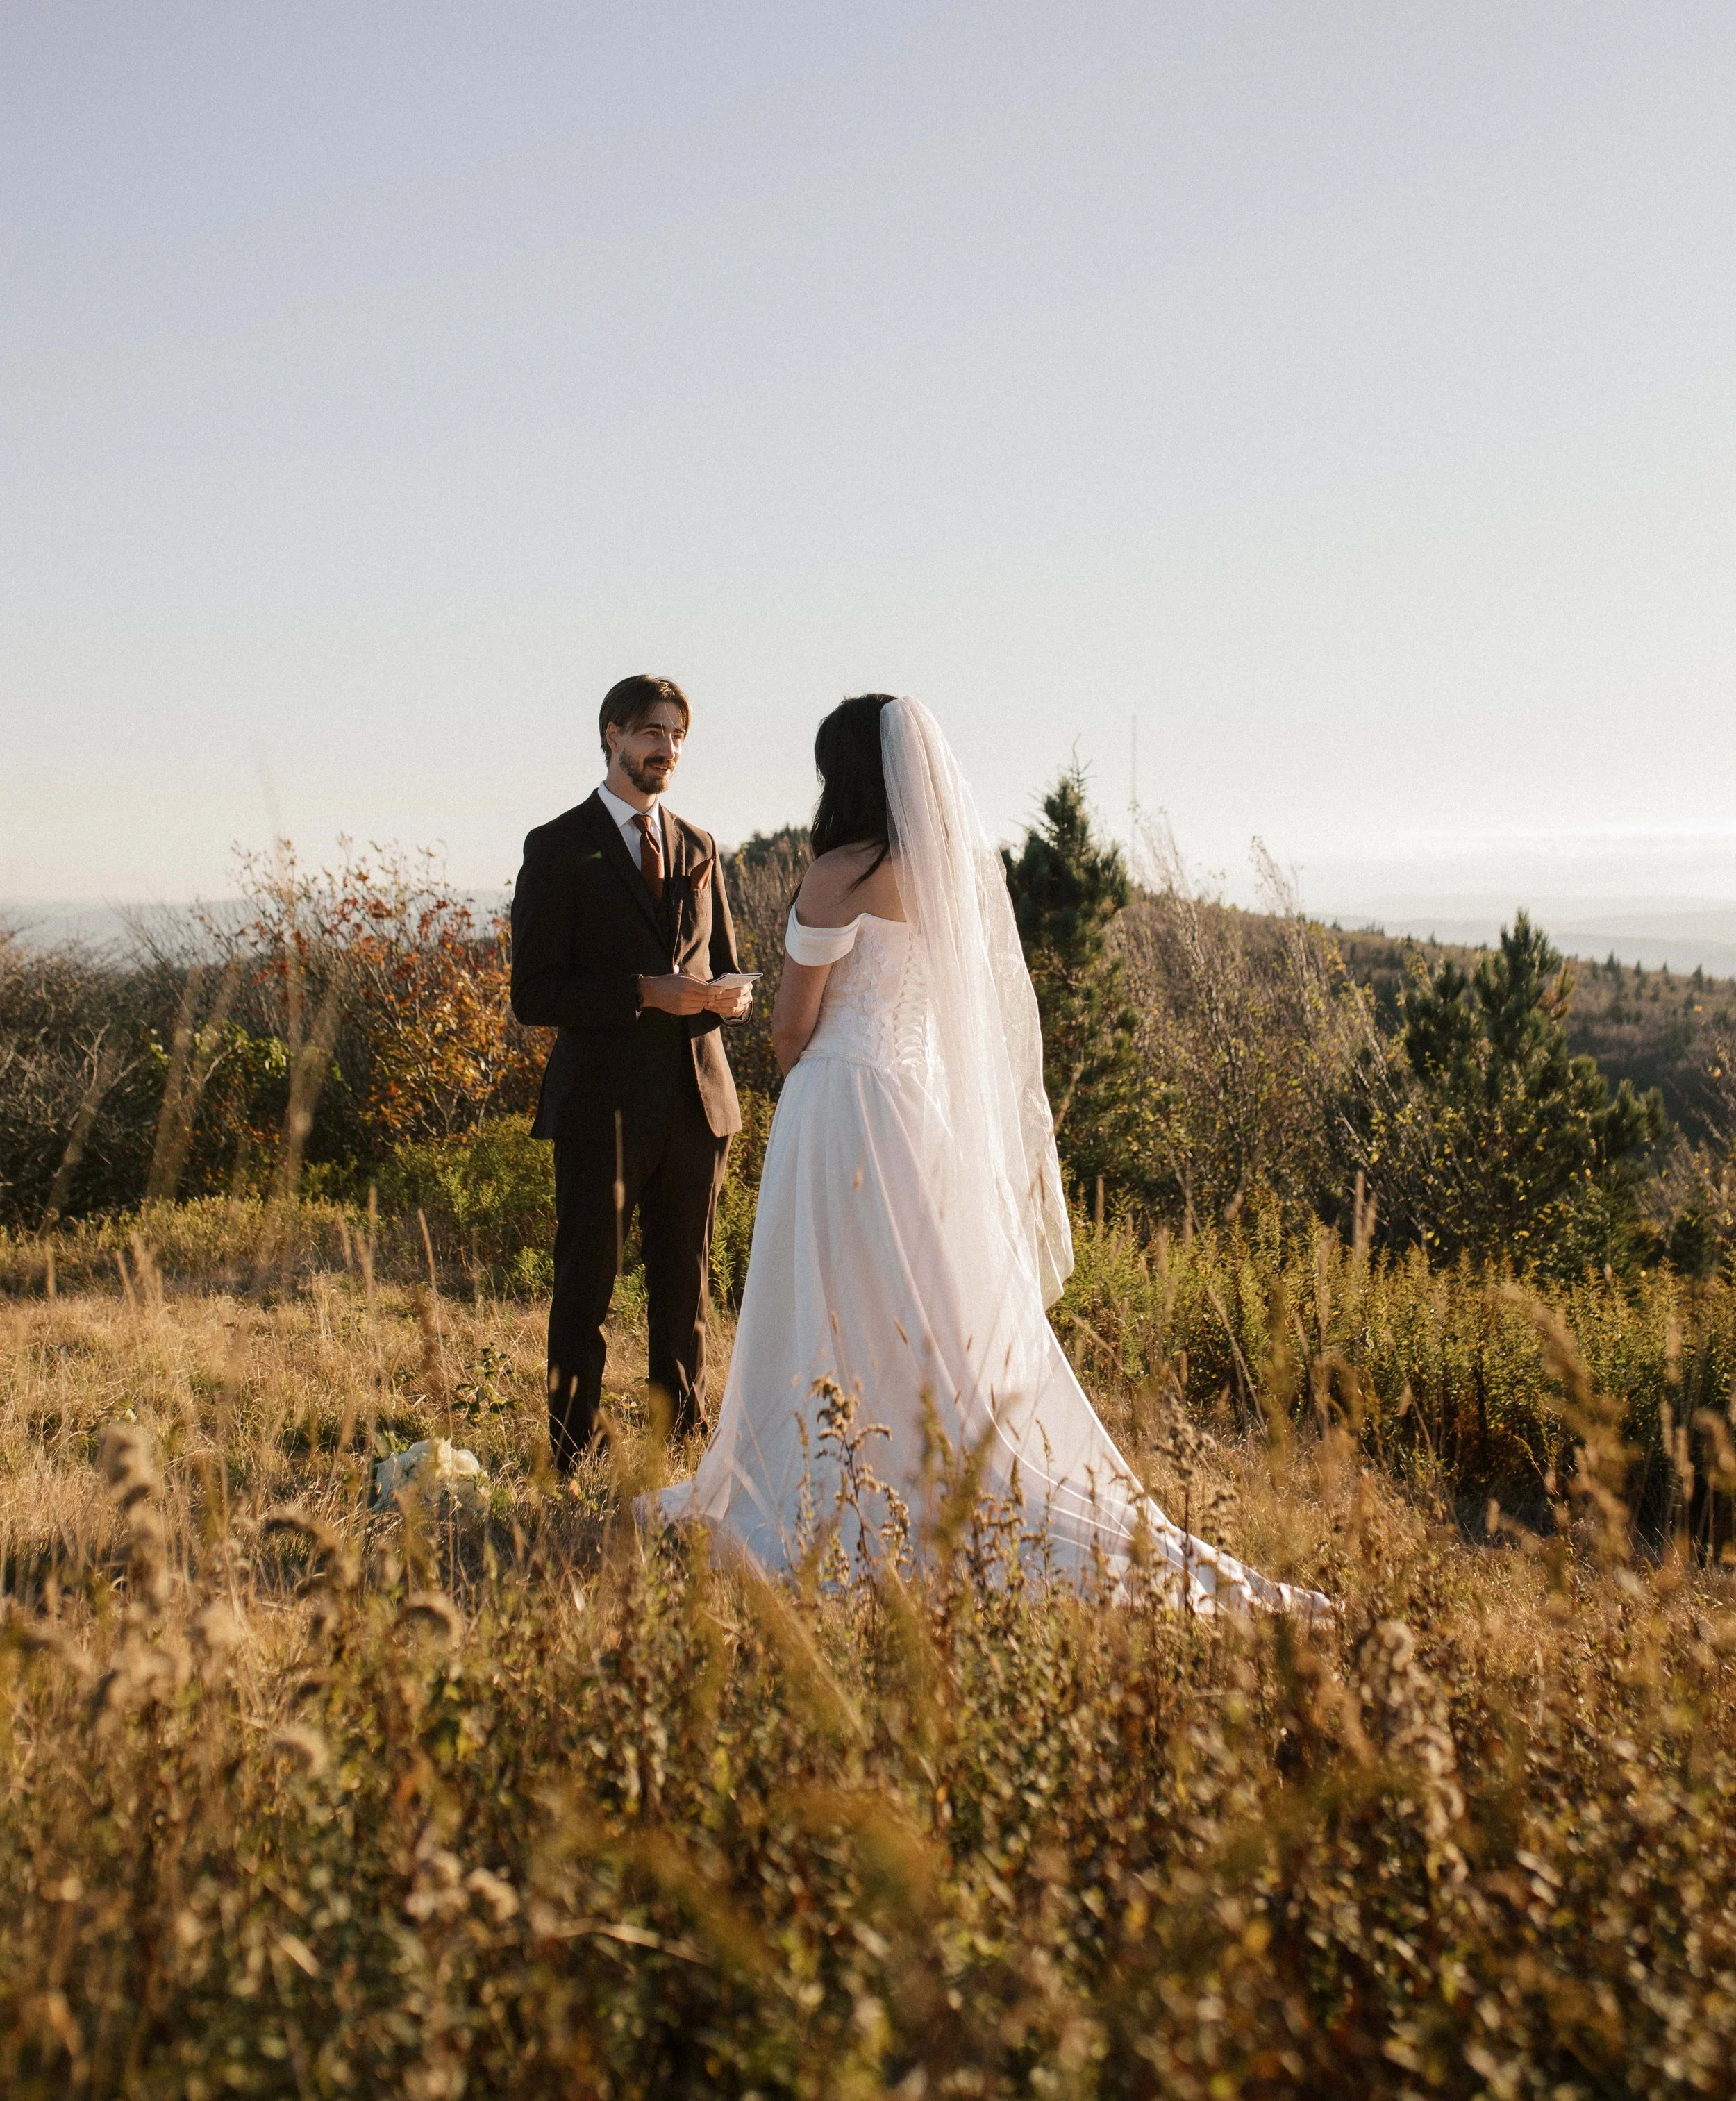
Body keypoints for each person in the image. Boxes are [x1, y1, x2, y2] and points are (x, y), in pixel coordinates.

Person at [655, 694, 1328, 1615]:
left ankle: (828, 1467)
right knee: (921, 1304)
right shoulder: (956, 874)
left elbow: (790, 1023)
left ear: (842, 773)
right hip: (913, 1106)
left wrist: (795, 1073)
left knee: (829, 1292)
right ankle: (933, 1454)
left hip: (840, 1096)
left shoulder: (838, 872)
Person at [510, 675, 755, 1471]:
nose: (668, 749)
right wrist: (642, 992)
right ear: (612, 732)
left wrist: (727, 999)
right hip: (601, 1106)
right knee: (586, 1286)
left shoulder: (699, 845)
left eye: (679, 736)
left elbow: (714, 961)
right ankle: (567, 1455)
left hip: (696, 1097)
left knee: (685, 1289)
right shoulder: (556, 844)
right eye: (654, 731)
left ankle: (678, 1452)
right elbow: (533, 993)